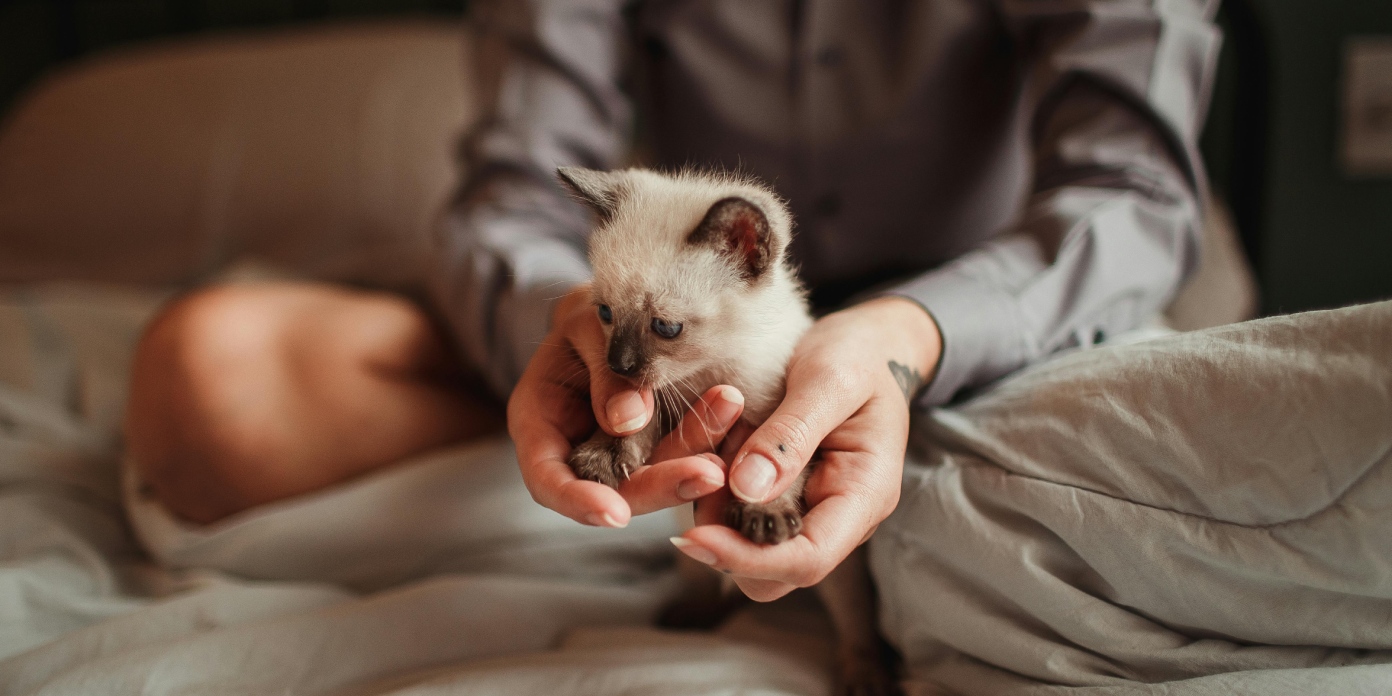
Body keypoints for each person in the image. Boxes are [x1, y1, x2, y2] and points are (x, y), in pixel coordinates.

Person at [125, 0, 1218, 602]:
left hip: (949, 338)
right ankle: (664, 481)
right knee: (207, 376)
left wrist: (908, 336)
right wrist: (576, 336)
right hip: (662, 343)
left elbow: (1137, 200)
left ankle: (781, 490)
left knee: (1157, 464)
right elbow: (512, 197)